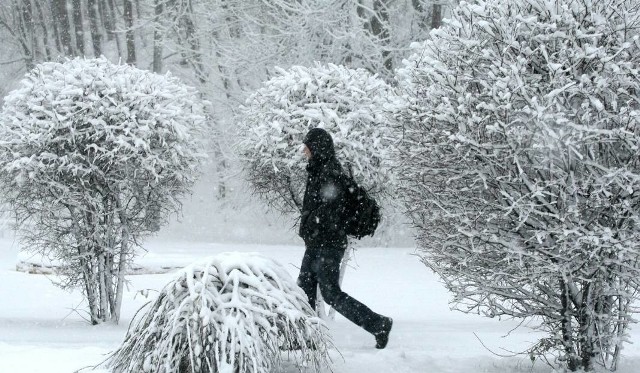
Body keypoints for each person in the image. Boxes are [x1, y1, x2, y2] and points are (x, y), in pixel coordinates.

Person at [297, 127, 393, 349]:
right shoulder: (318, 170)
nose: (304, 151)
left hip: (327, 245)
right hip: (317, 243)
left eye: (307, 146)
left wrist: (312, 223)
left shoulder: (330, 173)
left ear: (317, 148)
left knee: (330, 293)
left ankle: (378, 324)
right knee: (303, 291)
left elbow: (330, 211)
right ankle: (305, 338)